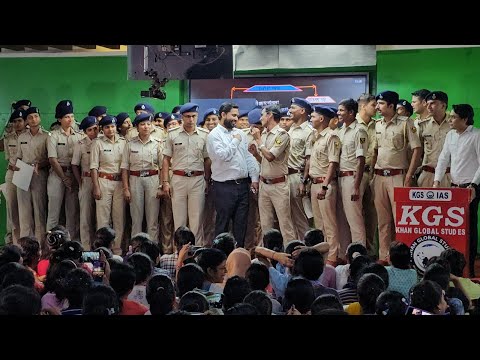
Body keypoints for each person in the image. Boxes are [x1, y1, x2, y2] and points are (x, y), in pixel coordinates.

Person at [372, 91, 422, 263]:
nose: (377, 107)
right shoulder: (377, 124)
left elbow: (417, 149)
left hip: (398, 176)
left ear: (391, 106)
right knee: (383, 221)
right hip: (379, 176)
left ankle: (400, 259)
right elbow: (375, 151)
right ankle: (384, 256)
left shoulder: (406, 123)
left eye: (381, 104)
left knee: (401, 220)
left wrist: (409, 175)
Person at [434, 104, 480, 277]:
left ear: (465, 119)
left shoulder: (477, 135)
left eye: (453, 117)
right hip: (453, 188)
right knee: (454, 228)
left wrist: (474, 185)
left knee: (469, 228)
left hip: (471, 189)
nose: (450, 120)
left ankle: (470, 267)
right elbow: (443, 159)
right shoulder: (450, 135)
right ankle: (455, 265)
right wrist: (437, 181)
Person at [206, 102, 260, 248]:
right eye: (233, 115)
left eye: (237, 115)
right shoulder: (214, 135)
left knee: (241, 225)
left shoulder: (241, 133)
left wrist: (254, 178)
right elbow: (223, 156)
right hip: (224, 187)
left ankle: (239, 256)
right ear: (223, 115)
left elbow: (248, 157)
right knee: (222, 225)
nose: (236, 119)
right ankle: (220, 258)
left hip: (242, 185)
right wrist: (235, 140)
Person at [160, 103, 211, 245]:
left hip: (198, 179)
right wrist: (165, 182)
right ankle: (179, 253)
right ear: (182, 117)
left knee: (197, 220)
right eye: (187, 116)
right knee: (179, 220)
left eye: (194, 116)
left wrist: (207, 180)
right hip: (178, 178)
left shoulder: (204, 135)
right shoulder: (172, 134)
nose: (191, 119)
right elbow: (166, 160)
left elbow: (207, 160)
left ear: (197, 116)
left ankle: (197, 253)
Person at [248, 105, 296, 243]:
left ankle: (290, 253)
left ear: (269, 115)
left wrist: (258, 141)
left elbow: (271, 156)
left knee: (285, 223)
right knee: (265, 224)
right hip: (264, 184)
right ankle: (267, 257)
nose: (261, 118)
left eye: (263, 115)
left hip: (279, 184)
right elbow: (264, 160)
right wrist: (256, 154)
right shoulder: (263, 134)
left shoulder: (282, 134)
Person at [305, 105, 341, 265]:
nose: (311, 119)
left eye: (313, 116)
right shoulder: (315, 136)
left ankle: (332, 257)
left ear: (321, 119)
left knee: (330, 224)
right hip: (314, 183)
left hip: (325, 185)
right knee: (319, 225)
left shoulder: (331, 136)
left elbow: (333, 163)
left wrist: (325, 186)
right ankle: (322, 256)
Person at [121, 113, 162, 242]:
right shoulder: (129, 144)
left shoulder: (157, 143)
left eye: (148, 124)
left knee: (152, 219)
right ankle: (135, 250)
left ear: (152, 126)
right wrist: (126, 188)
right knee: (136, 219)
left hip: (153, 179)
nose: (146, 127)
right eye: (142, 124)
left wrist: (161, 186)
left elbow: (162, 166)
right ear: (137, 127)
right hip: (135, 180)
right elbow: (125, 168)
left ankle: (153, 249)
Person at [46, 100, 83, 240]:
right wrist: (64, 178)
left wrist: (71, 178)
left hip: (73, 175)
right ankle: (50, 245)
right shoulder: (53, 135)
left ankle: (71, 244)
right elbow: (52, 159)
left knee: (72, 213)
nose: (70, 119)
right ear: (59, 119)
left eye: (72, 116)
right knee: (53, 214)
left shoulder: (79, 135)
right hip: (57, 175)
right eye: (67, 117)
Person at [90, 115, 127, 255]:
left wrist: (125, 187)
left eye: (112, 126)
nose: (110, 129)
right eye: (107, 127)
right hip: (103, 181)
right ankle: (103, 250)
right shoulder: (97, 143)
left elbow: (126, 166)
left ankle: (117, 250)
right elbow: (93, 167)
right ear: (102, 129)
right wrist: (96, 186)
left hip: (119, 182)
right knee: (103, 218)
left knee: (119, 217)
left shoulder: (123, 142)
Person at [336, 98, 368, 247]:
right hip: (340, 178)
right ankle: (345, 253)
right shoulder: (341, 131)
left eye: (342, 110)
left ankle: (358, 254)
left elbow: (361, 160)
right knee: (342, 220)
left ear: (351, 112)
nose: (338, 113)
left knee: (355, 219)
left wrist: (356, 186)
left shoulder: (359, 130)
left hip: (351, 178)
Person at [287, 97, 314, 240]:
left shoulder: (309, 131)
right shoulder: (290, 129)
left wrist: (303, 181)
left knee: (301, 217)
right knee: (289, 218)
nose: (290, 111)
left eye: (293, 108)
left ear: (302, 111)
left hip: (298, 177)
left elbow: (309, 159)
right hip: (286, 176)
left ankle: (305, 248)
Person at [71, 116, 99, 250]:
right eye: (90, 130)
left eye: (95, 128)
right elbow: (75, 164)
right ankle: (87, 247)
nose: (94, 132)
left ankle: (99, 245)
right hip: (86, 180)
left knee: (100, 216)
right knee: (86, 215)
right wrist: (80, 181)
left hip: (102, 180)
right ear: (85, 132)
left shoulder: (102, 142)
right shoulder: (80, 144)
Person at [356, 94, 378, 256]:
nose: (377, 108)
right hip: (355, 173)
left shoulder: (377, 125)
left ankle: (370, 252)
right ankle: (356, 251)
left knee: (372, 215)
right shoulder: (350, 125)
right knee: (355, 215)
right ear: (363, 106)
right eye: (373, 105)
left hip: (373, 173)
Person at [418, 91, 452, 187]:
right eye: (427, 104)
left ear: (443, 105)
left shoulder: (453, 124)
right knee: (424, 202)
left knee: (450, 202)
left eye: (432, 103)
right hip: (428, 175)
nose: (428, 107)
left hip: (449, 175)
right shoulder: (423, 125)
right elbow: (418, 151)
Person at [2, 109, 26, 244]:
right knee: (12, 209)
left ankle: (26, 243)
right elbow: (7, 157)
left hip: (25, 172)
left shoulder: (29, 136)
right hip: (11, 172)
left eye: (20, 121)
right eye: (15, 121)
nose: (17, 124)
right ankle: (16, 244)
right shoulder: (8, 138)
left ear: (24, 122)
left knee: (25, 210)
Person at [199, 108, 220, 246]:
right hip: (205, 181)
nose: (211, 122)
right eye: (208, 120)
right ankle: (206, 244)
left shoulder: (225, 136)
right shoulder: (201, 136)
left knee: (220, 216)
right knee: (206, 216)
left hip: (222, 182)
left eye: (214, 119)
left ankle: (219, 243)